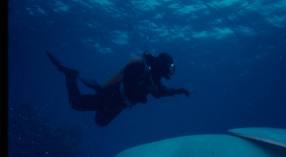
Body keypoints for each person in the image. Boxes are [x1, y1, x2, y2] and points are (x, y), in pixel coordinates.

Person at [47, 51, 190, 127]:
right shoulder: (140, 66)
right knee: (75, 104)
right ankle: (71, 76)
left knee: (100, 122)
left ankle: (95, 98)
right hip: (111, 96)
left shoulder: (155, 78)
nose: (171, 71)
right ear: (162, 65)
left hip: (120, 104)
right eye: (170, 67)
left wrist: (179, 91)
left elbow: (160, 93)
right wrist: (144, 90)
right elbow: (129, 82)